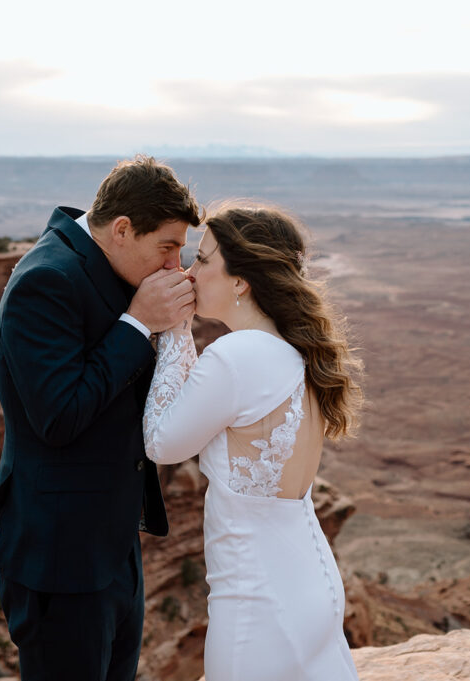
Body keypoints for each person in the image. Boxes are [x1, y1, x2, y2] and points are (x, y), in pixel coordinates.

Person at [0, 156, 202, 681]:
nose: (175, 263)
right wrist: (138, 322)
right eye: (167, 246)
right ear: (122, 229)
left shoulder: (101, 266)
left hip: (111, 551)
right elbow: (59, 417)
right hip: (60, 562)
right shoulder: (46, 282)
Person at [143, 203, 363, 681]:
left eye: (202, 260)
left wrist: (175, 330)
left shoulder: (237, 356)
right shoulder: (292, 351)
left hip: (256, 593)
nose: (189, 271)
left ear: (241, 280)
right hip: (308, 579)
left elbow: (162, 443)